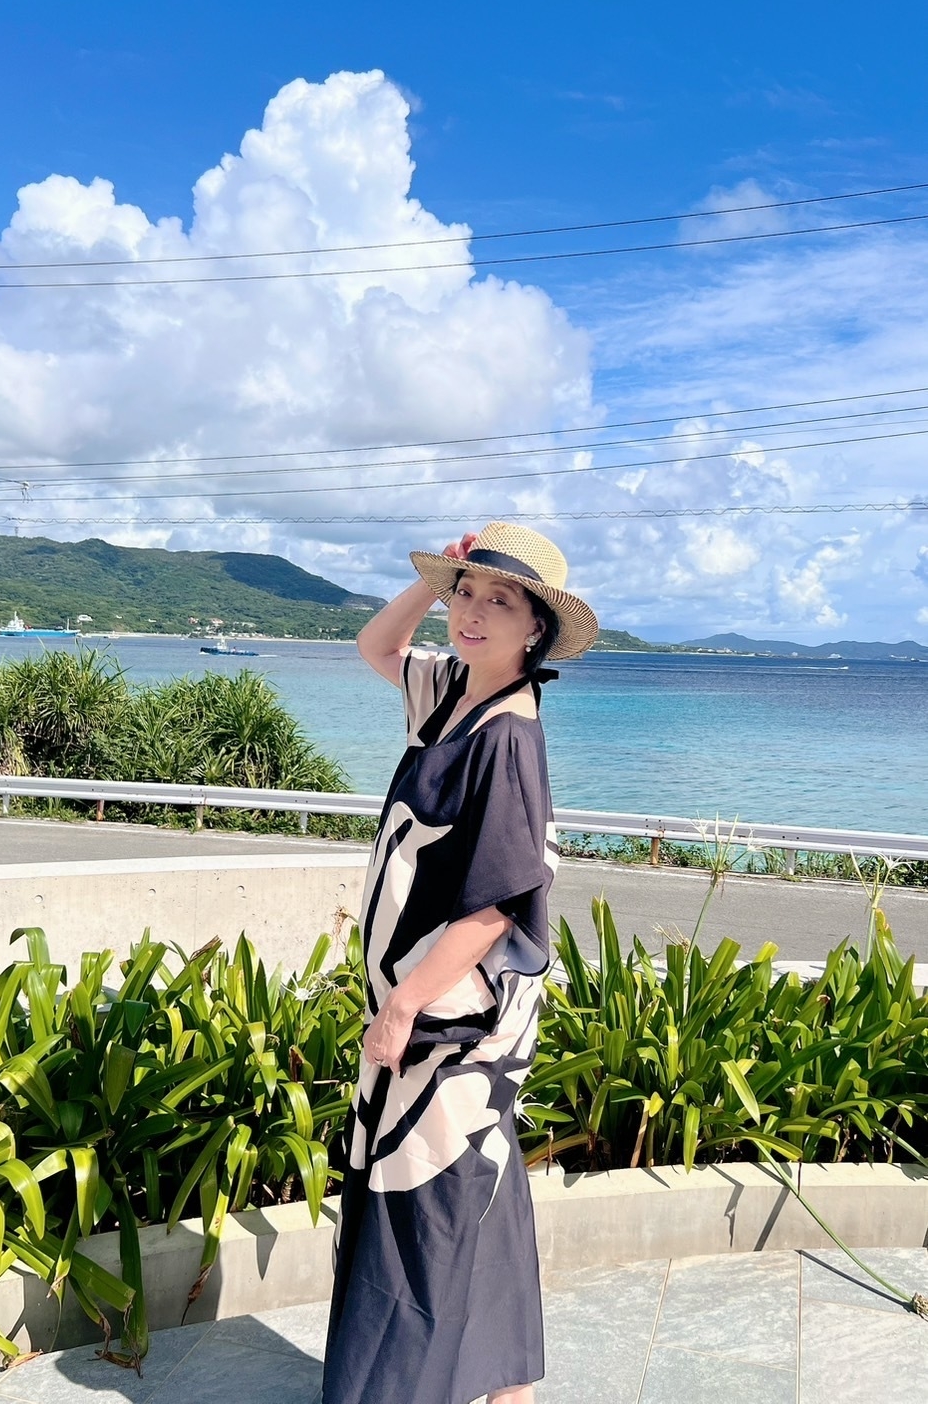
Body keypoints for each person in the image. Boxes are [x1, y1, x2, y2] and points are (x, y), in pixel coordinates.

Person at [321, 522, 599, 1404]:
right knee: (474, 1181)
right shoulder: (453, 692)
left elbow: (494, 906)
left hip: (452, 1016)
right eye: (465, 595)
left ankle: (404, 1388)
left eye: (498, 601)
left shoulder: (508, 735)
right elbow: (377, 646)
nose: (472, 614)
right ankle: (506, 1385)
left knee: (425, 1197)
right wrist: (437, 576)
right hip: (435, 1005)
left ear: (536, 630)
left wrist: (402, 1005)